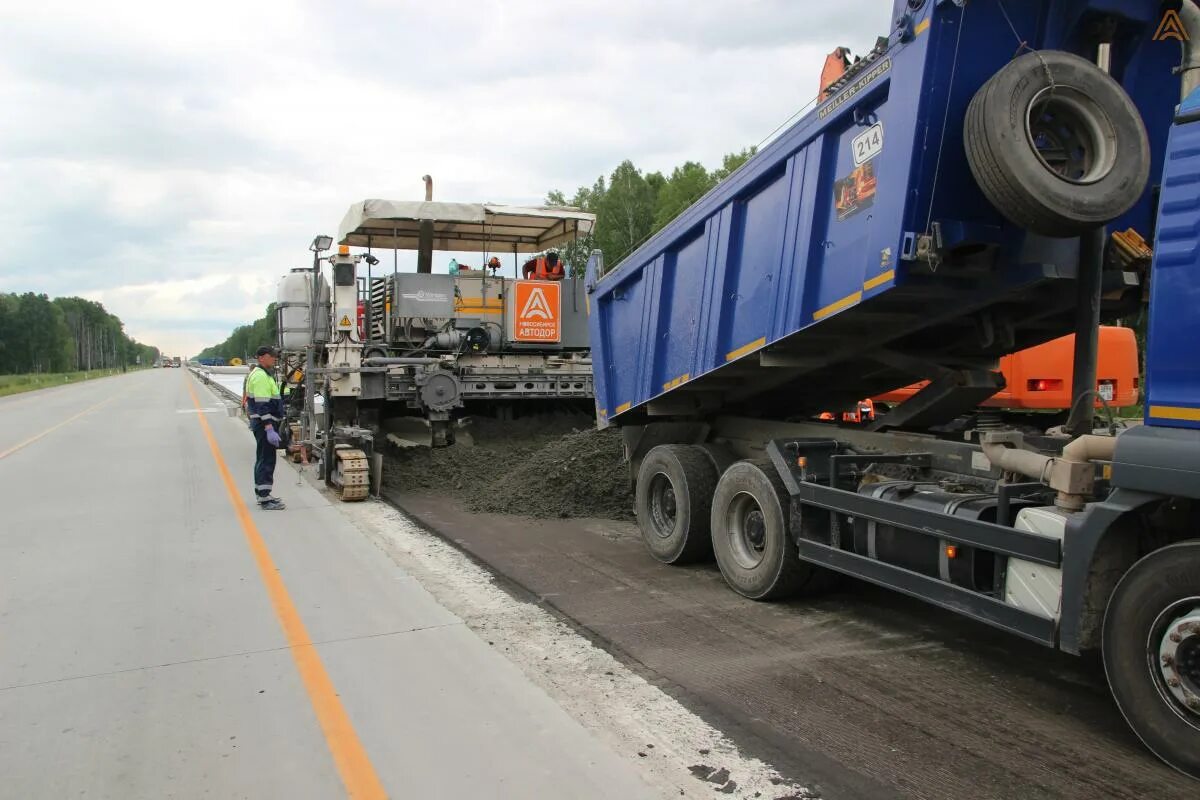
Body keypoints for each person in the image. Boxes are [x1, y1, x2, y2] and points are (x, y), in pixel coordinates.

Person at [245, 346, 286, 510]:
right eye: (272, 356)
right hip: (264, 425)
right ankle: (264, 498)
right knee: (266, 459)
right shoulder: (261, 376)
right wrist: (269, 427)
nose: (274, 359)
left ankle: (263, 494)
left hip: (262, 424)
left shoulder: (261, 374)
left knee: (263, 458)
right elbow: (262, 405)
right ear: (262, 357)